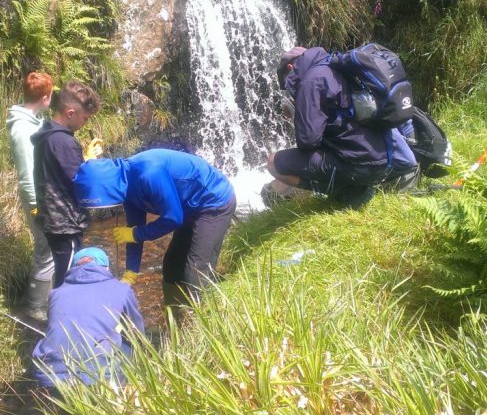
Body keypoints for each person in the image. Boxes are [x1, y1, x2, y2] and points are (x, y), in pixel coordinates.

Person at [73, 149, 236, 311]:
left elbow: (173, 218)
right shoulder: (126, 188)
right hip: (187, 207)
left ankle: (207, 319)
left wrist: (136, 234)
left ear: (108, 185)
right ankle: (176, 319)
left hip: (214, 202)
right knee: (171, 267)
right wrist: (131, 271)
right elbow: (134, 230)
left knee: (196, 269)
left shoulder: (149, 173)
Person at [267, 46, 418, 208]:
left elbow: (307, 142)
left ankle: (347, 193)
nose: (290, 90)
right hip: (386, 156)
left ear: (290, 68)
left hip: (361, 164)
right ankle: (357, 185)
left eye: (287, 83)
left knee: (273, 162)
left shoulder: (310, 82)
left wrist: (298, 114)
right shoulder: (337, 65)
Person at [31, 247, 144, 387]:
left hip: (49, 374)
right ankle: (121, 391)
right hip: (100, 375)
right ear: (106, 268)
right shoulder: (123, 289)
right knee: (129, 348)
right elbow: (138, 334)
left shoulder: (56, 293)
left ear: (73, 268)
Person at [32, 81, 103, 288]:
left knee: (62, 272)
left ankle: (53, 312)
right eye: (85, 117)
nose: (85, 122)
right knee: (68, 279)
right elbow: (81, 181)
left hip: (51, 219)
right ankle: (62, 318)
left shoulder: (47, 135)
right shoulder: (63, 142)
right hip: (65, 224)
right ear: (71, 112)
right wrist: (90, 162)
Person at [7, 71, 56, 321]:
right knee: (45, 249)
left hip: (43, 194)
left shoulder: (34, 121)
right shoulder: (22, 130)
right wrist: (36, 207)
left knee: (50, 247)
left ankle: (47, 300)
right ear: (45, 97)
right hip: (36, 198)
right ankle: (36, 307)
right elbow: (27, 173)